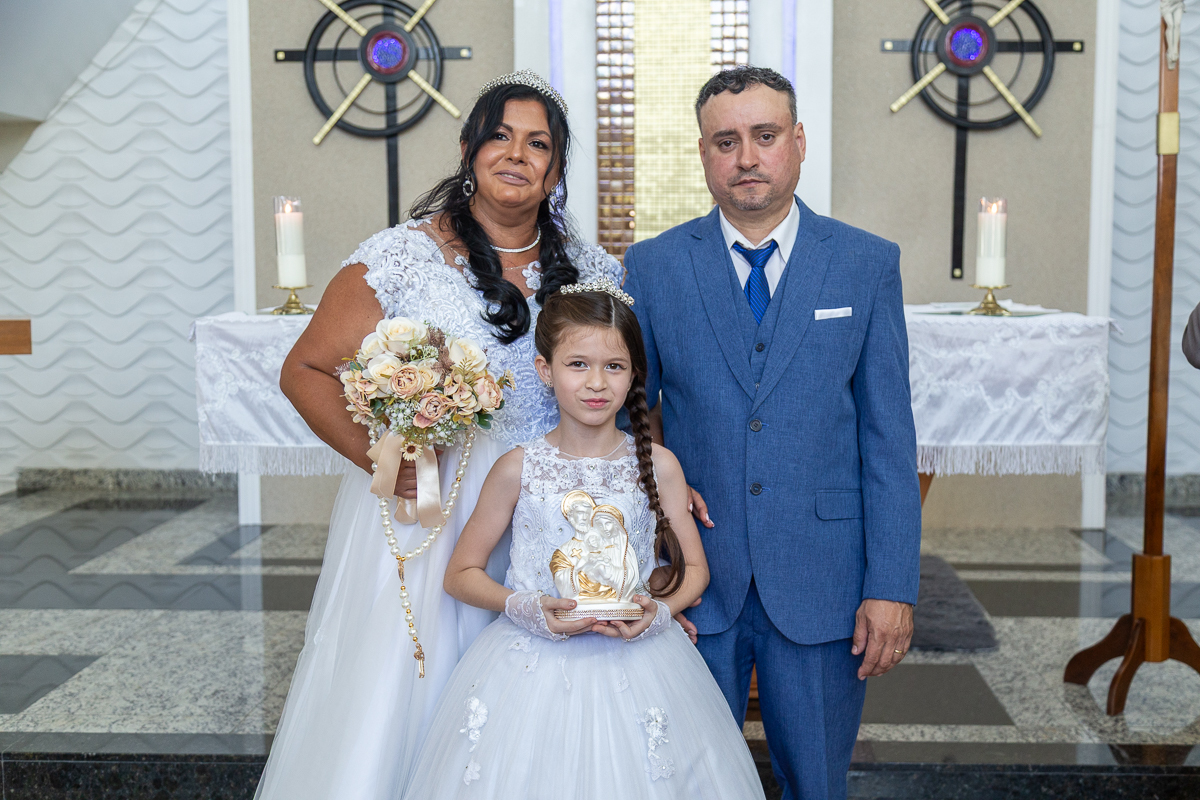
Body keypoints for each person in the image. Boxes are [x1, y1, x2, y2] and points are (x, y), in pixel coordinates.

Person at [258, 70, 623, 799]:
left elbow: (623, 386)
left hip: (548, 510)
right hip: (434, 506)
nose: (516, 155)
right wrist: (379, 457)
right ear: (468, 149)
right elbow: (304, 370)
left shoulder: (591, 270)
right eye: (500, 136)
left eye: (538, 144)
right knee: (417, 690)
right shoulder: (401, 258)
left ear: (555, 170)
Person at [623, 66, 922, 799]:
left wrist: (891, 585)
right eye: (725, 141)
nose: (747, 157)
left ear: (799, 142)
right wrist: (640, 561)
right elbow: (627, 422)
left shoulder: (865, 264)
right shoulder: (654, 267)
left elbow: (888, 439)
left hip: (825, 580)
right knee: (691, 783)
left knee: (815, 784)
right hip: (695, 578)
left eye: (765, 136)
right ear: (703, 153)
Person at [400, 282, 766, 800]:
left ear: (635, 374)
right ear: (545, 369)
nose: (597, 382)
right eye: (578, 365)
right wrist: (527, 607)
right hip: (530, 663)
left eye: (614, 366)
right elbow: (460, 574)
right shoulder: (518, 468)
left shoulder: (660, 466)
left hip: (641, 662)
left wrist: (659, 613)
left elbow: (697, 571)